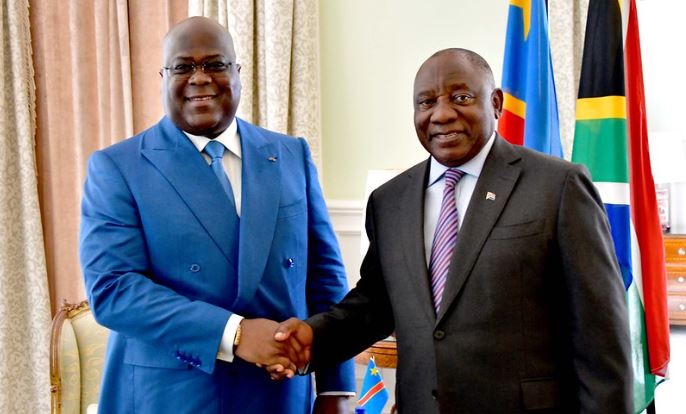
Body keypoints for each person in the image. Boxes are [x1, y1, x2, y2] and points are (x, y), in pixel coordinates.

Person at [273, 48, 633, 413]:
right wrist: (312, 337)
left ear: (495, 103)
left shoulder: (558, 186)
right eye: (426, 102)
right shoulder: (389, 201)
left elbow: (601, 336)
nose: (442, 114)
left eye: (461, 97)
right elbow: (374, 305)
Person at [79, 16, 354, 414]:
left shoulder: (292, 154)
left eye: (215, 64)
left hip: (279, 396)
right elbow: (113, 290)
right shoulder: (117, 168)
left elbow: (325, 279)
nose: (200, 78)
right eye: (183, 66)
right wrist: (236, 334)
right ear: (162, 76)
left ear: (238, 72)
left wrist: (335, 389)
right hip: (172, 396)